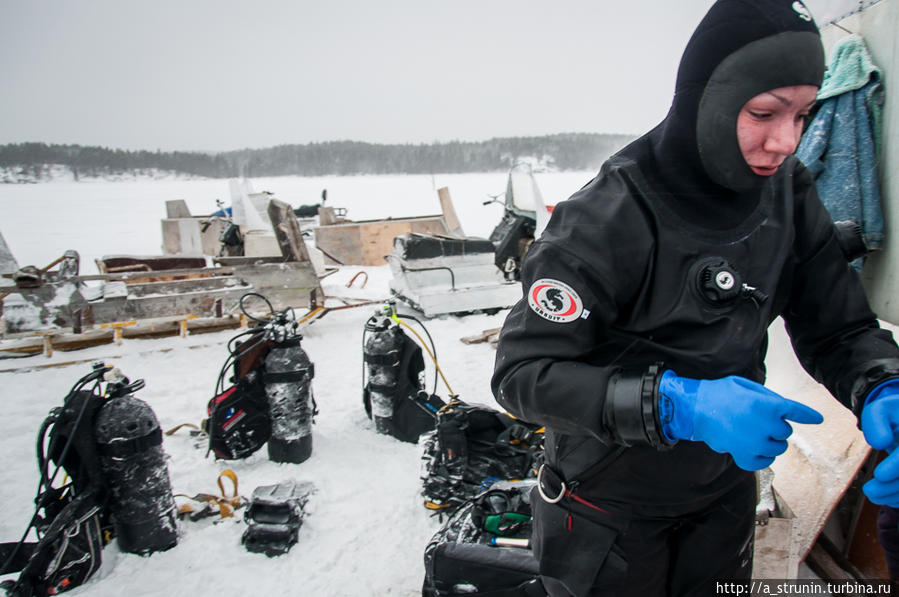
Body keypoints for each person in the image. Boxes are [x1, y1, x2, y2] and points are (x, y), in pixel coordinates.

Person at [490, 1, 899, 595]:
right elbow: (521, 376)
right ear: (710, 96)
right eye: (764, 113)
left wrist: (882, 384)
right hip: (607, 510)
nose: (786, 141)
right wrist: (676, 404)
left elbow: (837, 326)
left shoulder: (786, 193)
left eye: (803, 115)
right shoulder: (605, 219)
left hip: (725, 498)